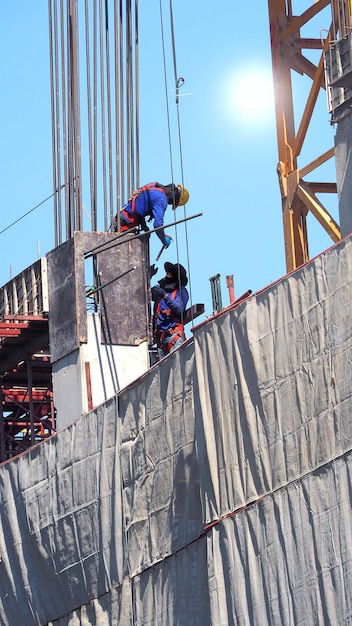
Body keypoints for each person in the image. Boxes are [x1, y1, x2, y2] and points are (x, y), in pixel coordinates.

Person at [113, 182, 189, 247]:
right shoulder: (162, 200)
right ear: (175, 200)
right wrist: (163, 240)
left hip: (121, 218)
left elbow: (140, 203)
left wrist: (143, 224)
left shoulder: (155, 186)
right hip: (125, 225)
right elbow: (158, 225)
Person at [151, 262, 189, 358]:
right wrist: (148, 277)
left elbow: (179, 309)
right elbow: (142, 295)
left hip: (174, 336)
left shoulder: (181, 291)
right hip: (161, 340)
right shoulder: (160, 292)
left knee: (177, 367)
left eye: (170, 273)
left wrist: (165, 296)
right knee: (165, 371)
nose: (166, 276)